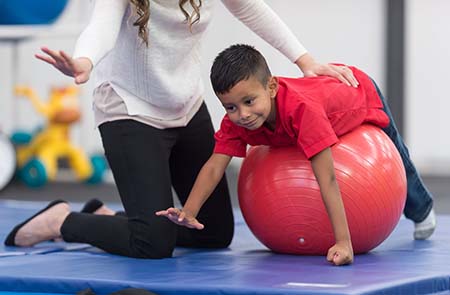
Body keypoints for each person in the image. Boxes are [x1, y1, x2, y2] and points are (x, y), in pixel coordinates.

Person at [4, 0, 358, 258]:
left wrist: (305, 59)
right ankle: (62, 221)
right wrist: (84, 61)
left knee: (212, 233)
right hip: (130, 109)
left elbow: (251, 8)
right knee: (152, 244)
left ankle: (115, 219)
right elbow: (101, 25)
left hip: (186, 106)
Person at [156, 44, 436, 266]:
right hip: (321, 96)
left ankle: (421, 208)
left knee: (397, 150)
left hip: (357, 91)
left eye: (249, 101)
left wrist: (343, 243)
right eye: (230, 107)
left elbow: (326, 178)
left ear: (272, 87)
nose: (242, 115)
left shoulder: (303, 112)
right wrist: (188, 211)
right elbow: (215, 166)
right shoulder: (238, 122)